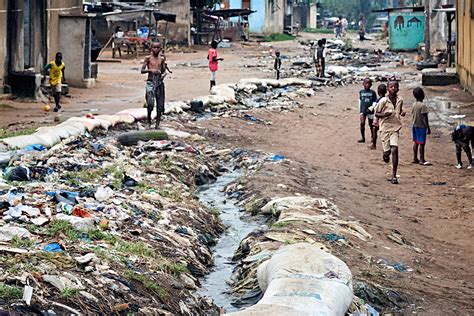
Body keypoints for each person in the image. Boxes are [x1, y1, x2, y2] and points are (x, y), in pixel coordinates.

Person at [375, 81, 406, 184]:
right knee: (387, 152)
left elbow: (399, 110)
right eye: (391, 87)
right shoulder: (383, 101)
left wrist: (401, 113)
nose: (393, 88)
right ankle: (385, 154)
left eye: (395, 86)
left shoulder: (400, 99)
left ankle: (394, 175)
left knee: (395, 149)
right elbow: (377, 113)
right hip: (384, 128)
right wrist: (384, 115)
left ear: (398, 88)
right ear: (387, 89)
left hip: (395, 128)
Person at [141, 42, 166, 129]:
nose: (156, 49)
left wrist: (163, 75)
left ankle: (158, 123)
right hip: (150, 82)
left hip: (159, 83)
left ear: (160, 48)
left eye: (157, 47)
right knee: (150, 103)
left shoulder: (162, 59)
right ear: (151, 48)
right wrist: (151, 70)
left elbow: (163, 71)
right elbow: (142, 70)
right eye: (154, 47)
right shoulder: (148, 58)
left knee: (160, 104)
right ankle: (148, 121)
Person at [411, 87, 431, 165]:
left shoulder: (414, 104)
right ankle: (422, 159)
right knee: (422, 143)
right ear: (422, 95)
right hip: (421, 127)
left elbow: (413, 114)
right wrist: (428, 128)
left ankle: (415, 158)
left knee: (416, 142)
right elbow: (424, 118)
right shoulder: (423, 106)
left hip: (414, 125)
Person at [367, 84, 387, 150]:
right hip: (385, 117)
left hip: (378, 117)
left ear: (378, 91)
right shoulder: (387, 99)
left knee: (374, 130)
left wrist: (369, 109)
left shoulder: (378, 100)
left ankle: (374, 144)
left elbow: (374, 107)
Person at [358, 78, 377, 144]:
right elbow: (360, 101)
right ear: (363, 84)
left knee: (371, 124)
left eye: (369, 83)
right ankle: (363, 137)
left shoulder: (373, 92)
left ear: (371, 84)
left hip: (370, 111)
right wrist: (360, 111)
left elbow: (375, 102)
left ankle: (372, 137)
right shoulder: (361, 92)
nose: (367, 84)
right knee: (362, 123)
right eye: (366, 83)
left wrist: (372, 108)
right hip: (363, 110)